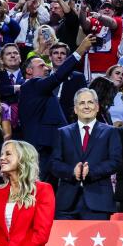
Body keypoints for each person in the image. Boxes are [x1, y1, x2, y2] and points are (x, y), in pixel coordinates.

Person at [17, 37, 96, 171]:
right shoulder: (32, 85)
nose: (47, 68)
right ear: (29, 71)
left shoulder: (40, 89)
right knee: (39, 184)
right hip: (41, 147)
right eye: (42, 65)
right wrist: (80, 51)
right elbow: (57, 77)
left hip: (49, 145)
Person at [50, 88, 123, 220]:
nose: (86, 106)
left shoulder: (111, 132)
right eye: (82, 103)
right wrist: (72, 171)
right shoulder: (62, 133)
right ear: (75, 109)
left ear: (97, 107)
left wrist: (92, 171)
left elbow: (115, 162)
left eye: (90, 102)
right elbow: (54, 163)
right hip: (67, 204)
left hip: (99, 201)